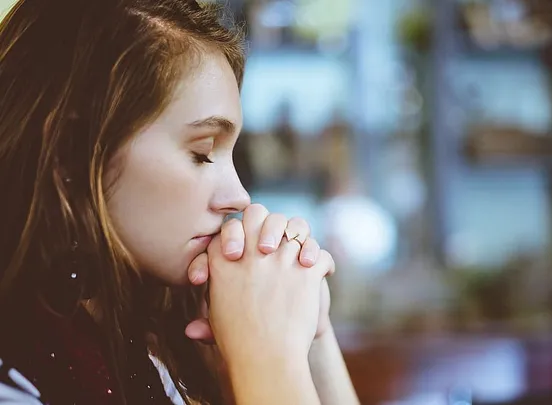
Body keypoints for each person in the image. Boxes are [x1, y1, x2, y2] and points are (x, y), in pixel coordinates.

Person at [0, 0, 359, 404]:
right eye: (202, 152)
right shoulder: (17, 376)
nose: (238, 197)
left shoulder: (153, 339)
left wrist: (311, 334)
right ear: (72, 152)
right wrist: (266, 355)